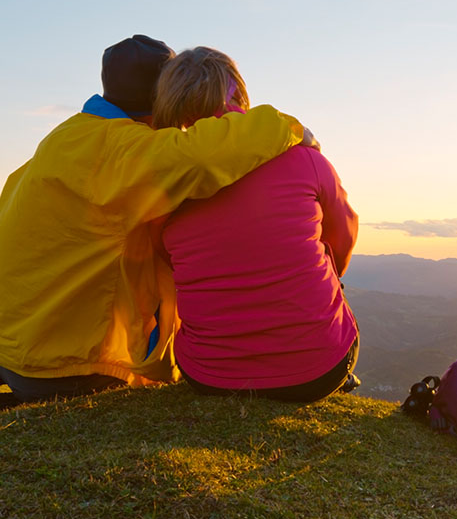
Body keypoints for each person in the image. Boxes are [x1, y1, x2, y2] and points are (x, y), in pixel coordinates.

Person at [0, 34, 317, 405]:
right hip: (60, 367)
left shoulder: (70, 135)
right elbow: (200, 158)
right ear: (166, 95)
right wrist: (289, 127)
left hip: (13, 344)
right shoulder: (125, 149)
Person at [153, 46, 359, 402]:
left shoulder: (164, 180)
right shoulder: (304, 158)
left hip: (208, 376)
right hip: (318, 373)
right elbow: (342, 239)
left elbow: (168, 259)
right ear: (239, 93)